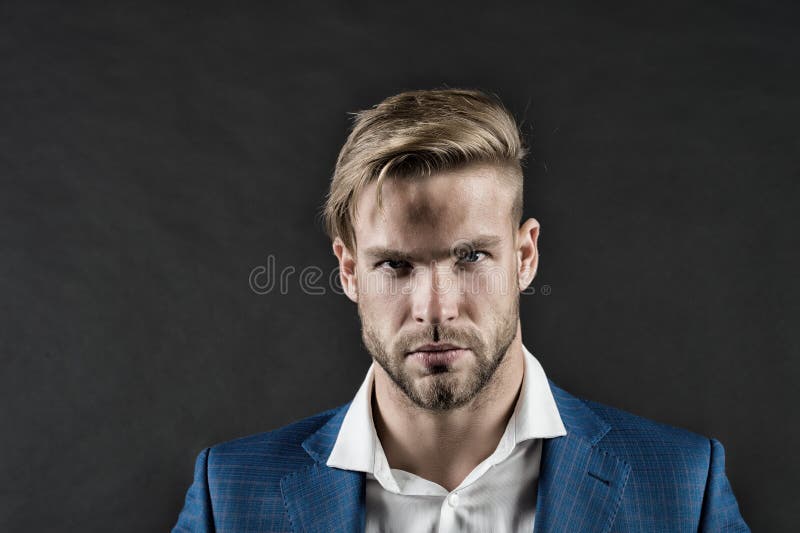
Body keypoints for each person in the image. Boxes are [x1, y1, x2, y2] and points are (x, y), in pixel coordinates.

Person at [172, 89, 749, 532]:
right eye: (395, 266)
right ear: (348, 271)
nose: (435, 308)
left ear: (524, 256)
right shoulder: (231, 496)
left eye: (471, 256)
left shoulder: (679, 486)